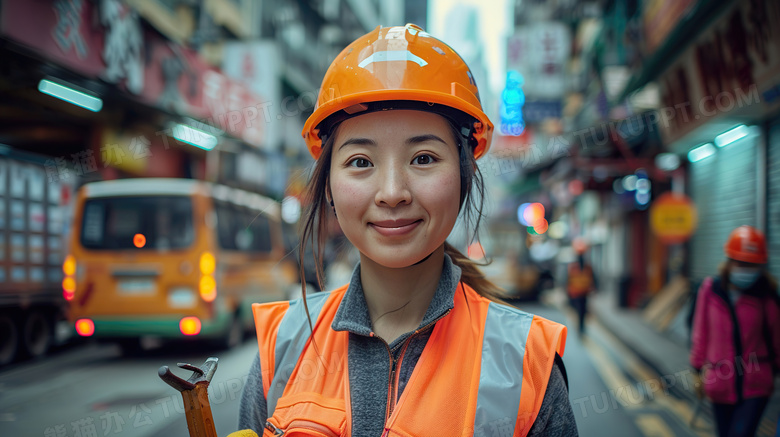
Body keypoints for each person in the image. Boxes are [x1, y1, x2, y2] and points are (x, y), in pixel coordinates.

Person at [237, 24, 577, 437]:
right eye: (361, 161)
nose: (393, 192)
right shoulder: (282, 348)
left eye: (423, 158)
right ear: (328, 185)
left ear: (465, 173)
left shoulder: (528, 365)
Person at [690, 225, 780, 437]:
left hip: (756, 384)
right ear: (730, 261)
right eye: (741, 263)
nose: (746, 269)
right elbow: (700, 333)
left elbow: (777, 337)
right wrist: (696, 371)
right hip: (719, 383)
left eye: (751, 264)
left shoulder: (766, 295)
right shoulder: (710, 290)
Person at [567, 238, 595, 336]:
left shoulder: (587, 266)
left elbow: (592, 278)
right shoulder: (573, 266)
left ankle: (581, 327)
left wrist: (593, 288)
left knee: (582, 310)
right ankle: (580, 327)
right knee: (579, 310)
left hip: (584, 292)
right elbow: (567, 279)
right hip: (575, 292)